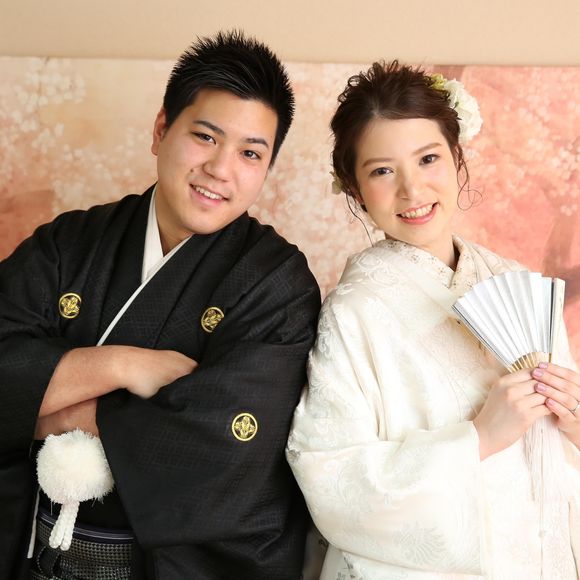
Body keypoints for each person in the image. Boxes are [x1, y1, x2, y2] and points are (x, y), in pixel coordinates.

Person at [0, 30, 321, 580]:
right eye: (205, 136)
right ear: (160, 130)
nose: (221, 169)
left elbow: (230, 441)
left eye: (250, 153)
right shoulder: (66, 244)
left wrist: (52, 411)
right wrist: (123, 366)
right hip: (33, 551)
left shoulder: (275, 283)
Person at [287, 60, 580, 579]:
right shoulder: (354, 311)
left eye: (428, 159)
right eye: (382, 171)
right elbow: (331, 478)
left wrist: (573, 424)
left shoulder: (516, 281)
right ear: (354, 188)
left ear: (457, 157)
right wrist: (478, 438)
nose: (412, 189)